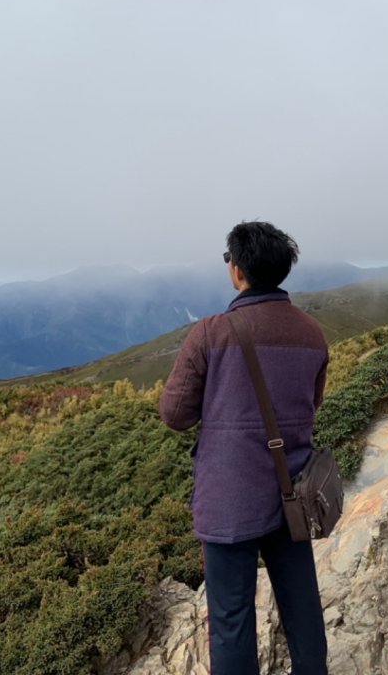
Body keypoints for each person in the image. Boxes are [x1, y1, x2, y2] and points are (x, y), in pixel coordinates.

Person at [159, 221, 329, 675]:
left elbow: (174, 414)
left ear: (237, 270)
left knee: (232, 618)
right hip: (291, 490)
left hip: (230, 498)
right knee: (302, 604)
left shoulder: (212, 332)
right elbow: (312, 403)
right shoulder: (312, 332)